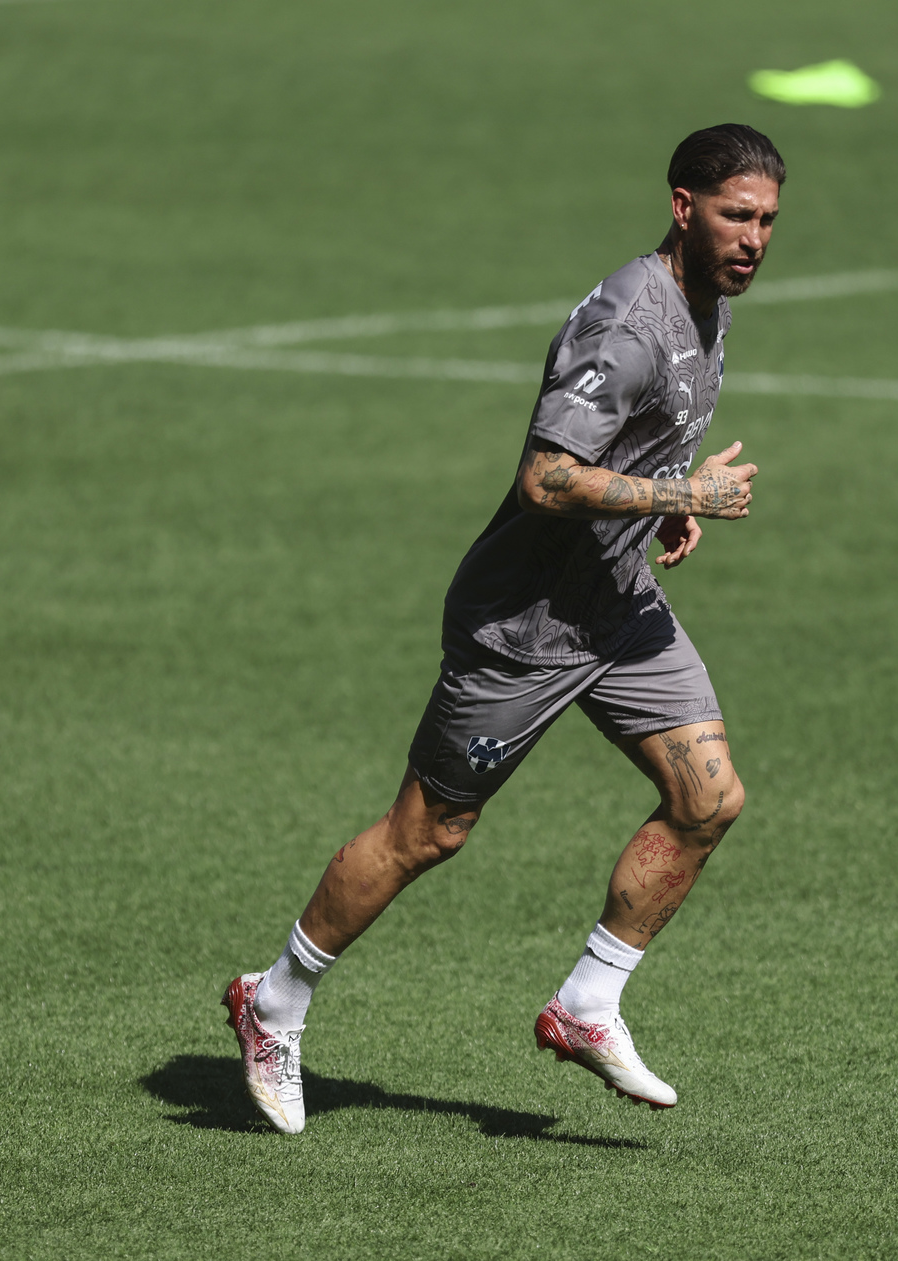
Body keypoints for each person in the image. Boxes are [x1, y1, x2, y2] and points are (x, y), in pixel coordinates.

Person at [223, 123, 784, 1133]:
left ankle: (586, 1004)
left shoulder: (705, 300)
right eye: (737, 216)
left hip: (612, 607)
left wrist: (666, 502)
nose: (753, 239)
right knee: (426, 832)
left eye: (768, 221)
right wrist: (671, 486)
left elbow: (636, 444)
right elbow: (544, 478)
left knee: (708, 798)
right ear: (682, 206)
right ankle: (273, 1002)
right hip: (523, 627)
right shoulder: (629, 323)